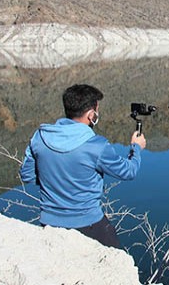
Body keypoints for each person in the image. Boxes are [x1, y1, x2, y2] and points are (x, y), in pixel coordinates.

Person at [20, 84, 146, 248]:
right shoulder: (97, 146)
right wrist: (136, 148)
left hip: (49, 224)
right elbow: (129, 171)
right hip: (89, 225)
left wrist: (57, 177)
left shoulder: (39, 137)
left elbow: (27, 175)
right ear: (91, 114)